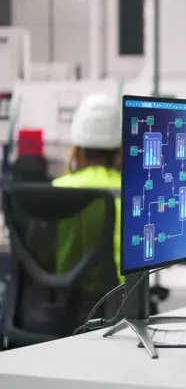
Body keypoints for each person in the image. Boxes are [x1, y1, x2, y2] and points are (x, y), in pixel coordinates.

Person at [52, 93, 123, 284]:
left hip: (57, 301)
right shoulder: (131, 193)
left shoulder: (55, 190)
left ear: (77, 148)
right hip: (115, 306)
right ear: (119, 149)